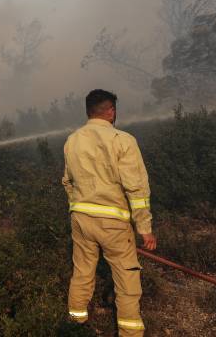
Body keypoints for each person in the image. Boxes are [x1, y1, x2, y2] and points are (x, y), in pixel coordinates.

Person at [62, 89, 157, 336]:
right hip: (113, 223)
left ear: (88, 111)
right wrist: (144, 229)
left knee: (82, 272)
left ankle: (75, 324)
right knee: (127, 280)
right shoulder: (123, 140)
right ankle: (130, 333)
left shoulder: (72, 140)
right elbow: (136, 189)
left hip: (81, 219)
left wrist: (77, 206)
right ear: (111, 111)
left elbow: (67, 181)